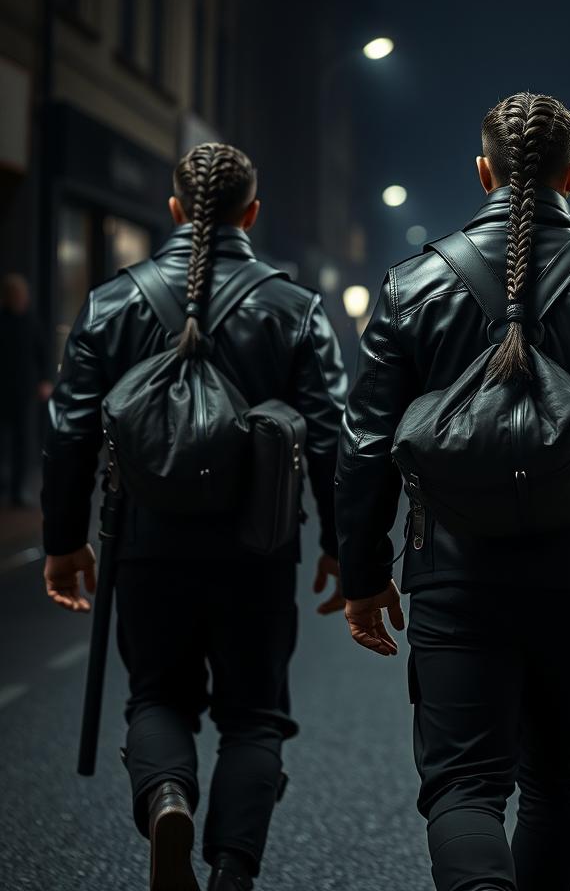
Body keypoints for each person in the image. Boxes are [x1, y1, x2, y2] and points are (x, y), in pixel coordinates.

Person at [327, 92, 570, 891]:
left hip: (455, 571)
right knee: (556, 783)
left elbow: (362, 446)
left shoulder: (410, 286)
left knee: (465, 787)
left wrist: (361, 574)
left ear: (483, 172)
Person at [40, 143, 348, 891]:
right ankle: (233, 871)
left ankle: (168, 797)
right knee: (255, 715)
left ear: (175, 210)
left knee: (155, 695)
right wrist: (344, 547)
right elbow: (335, 434)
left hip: (146, 539)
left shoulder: (112, 302)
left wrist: (62, 542)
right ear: (252, 213)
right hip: (260, 543)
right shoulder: (293, 306)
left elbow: (70, 427)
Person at [0, 273, 51, 506]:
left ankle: (18, 490)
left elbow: (42, 354)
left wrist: (44, 381)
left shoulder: (31, 322)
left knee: (23, 441)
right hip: (4, 390)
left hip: (24, 390)